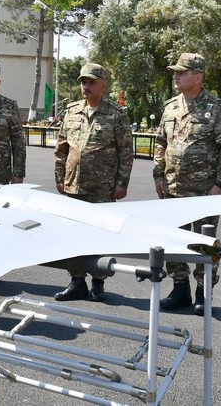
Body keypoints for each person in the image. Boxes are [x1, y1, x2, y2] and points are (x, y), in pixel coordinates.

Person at [153, 52, 221, 316]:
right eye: (175, 72)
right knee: (174, 239)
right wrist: (158, 174)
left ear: (197, 77)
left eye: (181, 72)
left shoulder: (217, 107)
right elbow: (160, 143)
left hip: (204, 191)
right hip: (173, 188)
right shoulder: (171, 107)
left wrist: (220, 183)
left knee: (204, 242)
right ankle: (180, 289)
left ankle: (204, 292)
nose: (175, 76)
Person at [53, 63, 133, 302]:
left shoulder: (116, 114)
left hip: (102, 188)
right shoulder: (71, 111)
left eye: (90, 82)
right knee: (72, 235)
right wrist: (59, 178)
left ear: (102, 85)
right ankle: (77, 281)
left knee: (100, 235)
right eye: (83, 82)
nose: (85, 86)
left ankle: (98, 283)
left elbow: (126, 152)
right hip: (73, 185)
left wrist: (122, 183)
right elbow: (61, 148)